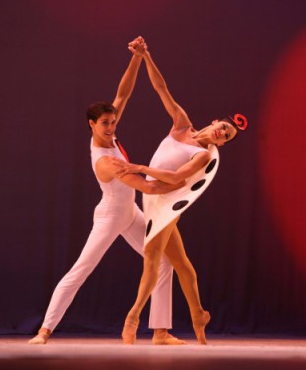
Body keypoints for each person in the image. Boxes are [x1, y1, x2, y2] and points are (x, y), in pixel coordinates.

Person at [28, 37, 186, 346]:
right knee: (81, 269)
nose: (112, 127)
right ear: (92, 125)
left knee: (163, 262)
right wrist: (181, 183)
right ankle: (44, 330)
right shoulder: (105, 161)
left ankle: (160, 332)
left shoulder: (109, 135)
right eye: (105, 124)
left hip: (131, 213)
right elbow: (146, 185)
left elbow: (123, 93)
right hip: (111, 215)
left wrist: (138, 57)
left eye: (113, 122)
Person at [117, 41, 248, 345]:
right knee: (182, 264)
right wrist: (147, 55)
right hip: (153, 198)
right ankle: (198, 315)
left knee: (152, 258)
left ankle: (133, 317)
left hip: (165, 203)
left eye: (227, 136)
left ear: (224, 143)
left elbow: (177, 178)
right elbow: (161, 88)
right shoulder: (182, 124)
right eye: (223, 127)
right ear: (215, 121)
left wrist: (141, 167)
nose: (222, 133)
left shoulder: (203, 154)